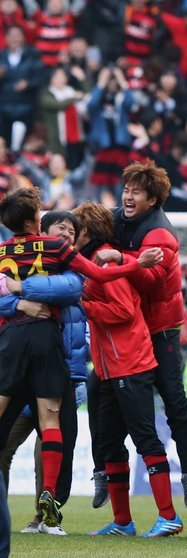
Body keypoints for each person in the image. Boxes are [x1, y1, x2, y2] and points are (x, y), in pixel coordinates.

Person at [0, 186, 161, 528]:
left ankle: (44, 508)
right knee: (52, 423)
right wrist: (137, 264)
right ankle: (47, 494)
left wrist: (18, 294)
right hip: (46, 340)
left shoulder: (1, 252)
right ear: (35, 222)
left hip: (10, 341)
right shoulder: (57, 249)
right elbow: (97, 276)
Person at [75, 202, 183, 538]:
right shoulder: (95, 261)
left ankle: (169, 516)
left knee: (145, 439)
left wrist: (85, 306)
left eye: (74, 231)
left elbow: (122, 310)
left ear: (87, 233)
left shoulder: (104, 258)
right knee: (109, 444)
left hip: (131, 365)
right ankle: (123, 522)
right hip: (109, 368)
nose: (69, 240)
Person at [113, 160, 187, 508]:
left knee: (174, 400)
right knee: (108, 396)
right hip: (130, 327)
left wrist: (119, 255)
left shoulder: (160, 234)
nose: (128, 196)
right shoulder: (118, 218)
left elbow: (150, 282)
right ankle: (105, 472)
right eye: (126, 189)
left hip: (160, 330)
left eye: (136, 191)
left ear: (153, 199)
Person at [0, 211, 86, 536]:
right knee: (7, 448)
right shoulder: (23, 262)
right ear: (42, 235)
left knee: (51, 452)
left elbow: (69, 289)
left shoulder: (70, 272)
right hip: (29, 363)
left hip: (61, 372)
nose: (67, 234)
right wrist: (19, 305)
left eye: (72, 231)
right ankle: (5, 516)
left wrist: (20, 290)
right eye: (60, 229)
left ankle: (46, 518)